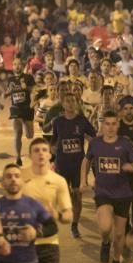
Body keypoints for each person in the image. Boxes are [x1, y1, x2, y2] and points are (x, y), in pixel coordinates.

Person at [82, 111, 133, 263]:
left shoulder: (125, 144)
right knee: (105, 227)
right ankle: (105, 242)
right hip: (103, 192)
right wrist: (83, 180)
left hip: (123, 194)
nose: (110, 127)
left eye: (113, 124)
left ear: (118, 125)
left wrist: (131, 168)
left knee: (119, 234)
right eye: (107, 124)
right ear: (102, 125)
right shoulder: (95, 143)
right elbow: (86, 160)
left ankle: (116, 261)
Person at [50, 91, 96, 239]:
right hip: (62, 164)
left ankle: (74, 225)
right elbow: (53, 141)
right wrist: (52, 151)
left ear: (76, 103)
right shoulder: (58, 122)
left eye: (72, 101)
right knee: (66, 196)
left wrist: (91, 154)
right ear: (63, 104)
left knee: (78, 196)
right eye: (67, 101)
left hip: (78, 165)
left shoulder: (82, 121)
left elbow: (93, 137)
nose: (70, 103)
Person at [7, 56, 36, 166]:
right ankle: (18, 156)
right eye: (15, 64)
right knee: (17, 133)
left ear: (22, 66)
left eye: (19, 64)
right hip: (15, 109)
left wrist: (26, 88)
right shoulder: (10, 80)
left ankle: (26, 126)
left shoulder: (28, 77)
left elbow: (34, 90)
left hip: (27, 108)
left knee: (29, 135)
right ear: (12, 66)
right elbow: (7, 93)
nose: (17, 66)